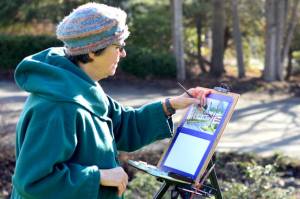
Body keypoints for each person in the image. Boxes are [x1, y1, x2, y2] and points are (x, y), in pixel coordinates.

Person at [10, 2, 211, 199]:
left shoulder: (80, 85)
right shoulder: (58, 106)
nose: (123, 53)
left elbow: (122, 125)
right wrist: (99, 176)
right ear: (92, 50)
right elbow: (34, 181)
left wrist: (171, 105)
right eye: (118, 46)